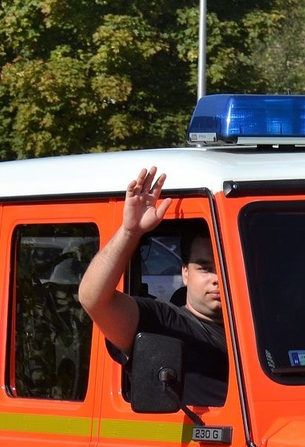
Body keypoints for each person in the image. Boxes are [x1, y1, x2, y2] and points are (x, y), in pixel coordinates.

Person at [78, 166, 227, 406]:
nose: (217, 278)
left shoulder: (262, 329)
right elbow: (94, 299)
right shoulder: (163, 322)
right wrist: (130, 231)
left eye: (224, 268)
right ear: (185, 273)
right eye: (205, 268)